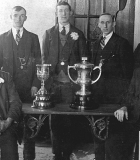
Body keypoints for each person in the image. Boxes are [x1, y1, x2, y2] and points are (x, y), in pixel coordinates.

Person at [41, 1, 88, 159]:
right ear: (56, 13)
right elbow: (43, 59)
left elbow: (83, 59)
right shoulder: (48, 34)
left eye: (66, 11)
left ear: (71, 13)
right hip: (53, 83)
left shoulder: (78, 34)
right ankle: (56, 152)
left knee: (69, 118)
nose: (63, 14)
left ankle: (67, 152)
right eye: (60, 11)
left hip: (71, 83)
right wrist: (45, 82)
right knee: (54, 118)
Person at [90, 13, 134, 160]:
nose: (105, 25)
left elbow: (128, 75)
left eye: (108, 22)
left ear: (114, 23)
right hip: (98, 96)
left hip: (115, 98)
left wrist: (124, 102)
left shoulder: (122, 43)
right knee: (98, 130)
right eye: (102, 22)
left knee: (114, 135)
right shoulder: (96, 44)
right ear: (98, 24)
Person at [0, 6, 41, 103]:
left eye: (22, 16)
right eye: (15, 15)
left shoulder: (33, 38)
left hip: (28, 87)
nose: (18, 19)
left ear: (25, 18)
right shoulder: (2, 38)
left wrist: (36, 85)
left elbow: (39, 64)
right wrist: (0, 85)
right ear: (10, 17)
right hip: (8, 86)